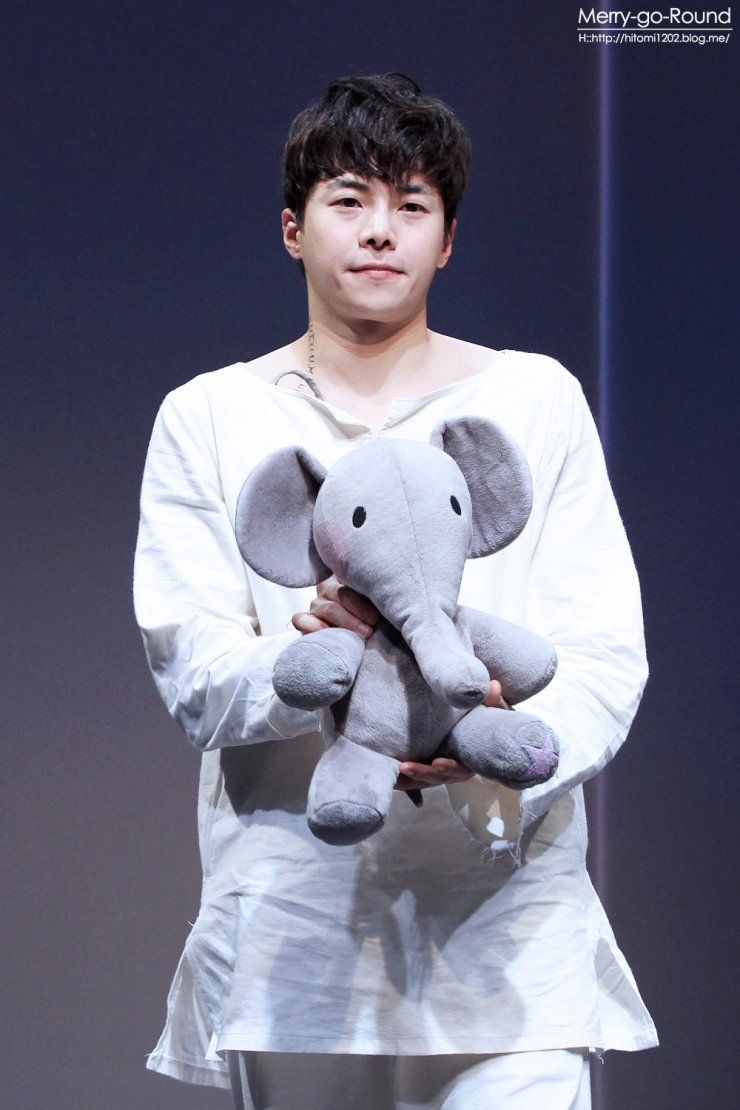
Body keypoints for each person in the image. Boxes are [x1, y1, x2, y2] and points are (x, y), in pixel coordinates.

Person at [133, 73, 658, 1109]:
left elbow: (603, 651)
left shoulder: (533, 399)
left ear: (447, 240)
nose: (380, 229)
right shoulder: (209, 417)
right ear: (292, 228)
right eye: (348, 199)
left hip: (511, 938)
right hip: (297, 939)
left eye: (411, 204)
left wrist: (496, 736)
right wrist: (318, 667)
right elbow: (192, 667)